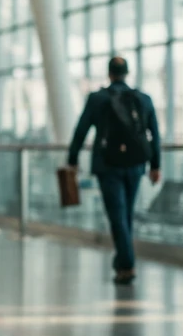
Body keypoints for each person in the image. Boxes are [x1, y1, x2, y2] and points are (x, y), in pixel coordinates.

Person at [67, 56, 162, 285]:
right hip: (136, 165)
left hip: (107, 165)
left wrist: (72, 159)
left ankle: (126, 263)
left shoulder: (97, 99)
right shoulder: (143, 99)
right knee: (125, 213)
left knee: (117, 214)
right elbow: (154, 135)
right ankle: (124, 264)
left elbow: (81, 130)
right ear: (126, 73)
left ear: (109, 74)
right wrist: (155, 165)